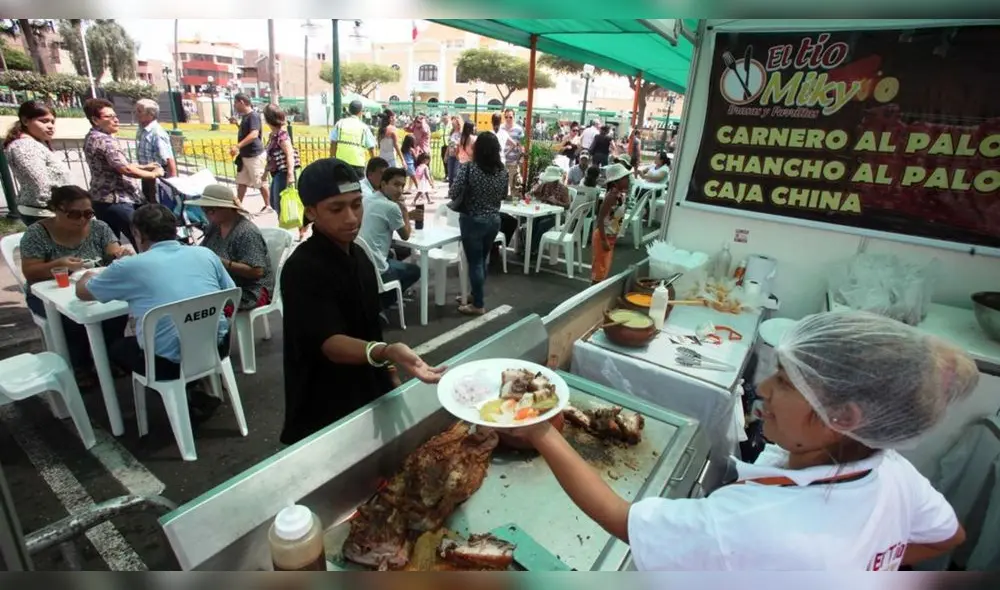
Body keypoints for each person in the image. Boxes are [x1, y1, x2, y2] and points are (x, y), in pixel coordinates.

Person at [508, 311, 977, 571]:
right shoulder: (892, 470)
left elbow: (620, 519)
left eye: (788, 384)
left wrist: (542, 431)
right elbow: (948, 535)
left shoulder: (755, 526)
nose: (765, 389)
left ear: (844, 417)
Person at [279, 158, 444, 445]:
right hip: (324, 402)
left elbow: (370, 328)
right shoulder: (302, 268)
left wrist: (389, 372)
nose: (352, 218)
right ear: (311, 212)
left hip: (368, 389)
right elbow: (330, 343)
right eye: (336, 208)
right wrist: (388, 352)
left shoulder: (360, 258)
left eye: (356, 204)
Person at [76, 204, 236, 421]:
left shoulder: (129, 267)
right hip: (217, 346)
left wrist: (86, 274)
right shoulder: (205, 254)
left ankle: (182, 397)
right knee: (173, 335)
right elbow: (229, 291)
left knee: (117, 347)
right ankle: (191, 390)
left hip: (168, 364)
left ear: (138, 234)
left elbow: (84, 292)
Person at [19, 185, 131, 385]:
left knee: (118, 310)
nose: (82, 220)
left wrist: (119, 254)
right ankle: (80, 366)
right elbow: (30, 272)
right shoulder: (37, 233)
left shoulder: (98, 227)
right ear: (57, 209)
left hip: (88, 287)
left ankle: (109, 356)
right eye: (74, 214)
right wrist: (57, 265)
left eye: (88, 213)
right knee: (70, 320)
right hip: (49, 292)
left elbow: (112, 250)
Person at [83, 98, 161, 245]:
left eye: (115, 116)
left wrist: (144, 167)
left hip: (100, 201)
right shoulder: (106, 140)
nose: (116, 120)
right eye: (108, 117)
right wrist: (153, 174)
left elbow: (114, 164)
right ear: (95, 120)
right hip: (119, 200)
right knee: (143, 241)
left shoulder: (91, 137)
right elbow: (124, 169)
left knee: (112, 246)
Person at [187, 184, 274, 312]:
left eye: (211, 210)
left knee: (203, 308)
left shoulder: (246, 232)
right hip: (223, 285)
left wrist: (221, 262)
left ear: (227, 209)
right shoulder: (215, 226)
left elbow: (257, 272)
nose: (207, 214)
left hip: (249, 291)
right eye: (204, 210)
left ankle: (219, 331)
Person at [449, 132, 507, 316]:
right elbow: (504, 195)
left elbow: (453, 192)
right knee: (481, 260)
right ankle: (476, 295)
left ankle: (478, 304)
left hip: (473, 220)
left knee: (475, 262)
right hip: (494, 220)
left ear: (477, 149)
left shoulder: (469, 169)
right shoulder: (503, 171)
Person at [359, 167, 422, 304]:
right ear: (383, 184)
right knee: (415, 270)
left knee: (401, 251)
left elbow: (385, 219)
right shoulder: (392, 207)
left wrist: (405, 215)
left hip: (361, 261)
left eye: (402, 185)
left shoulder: (368, 199)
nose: (399, 190)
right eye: (395, 184)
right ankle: (385, 301)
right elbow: (405, 235)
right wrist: (404, 210)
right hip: (378, 269)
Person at [3, 100, 70, 224]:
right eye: (43, 121)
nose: (50, 126)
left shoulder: (35, 144)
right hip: (44, 213)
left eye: (52, 122)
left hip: (48, 211)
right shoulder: (25, 146)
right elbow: (40, 186)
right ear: (25, 121)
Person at [590, 163, 630, 283]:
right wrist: (603, 240)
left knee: (604, 269)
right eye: (625, 178)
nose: (628, 180)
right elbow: (600, 218)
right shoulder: (611, 196)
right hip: (604, 236)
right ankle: (593, 296)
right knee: (599, 272)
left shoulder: (619, 195)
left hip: (610, 235)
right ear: (616, 181)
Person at [229, 94, 270, 208]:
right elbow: (248, 132)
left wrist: (238, 146)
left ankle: (268, 206)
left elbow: (254, 134)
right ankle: (238, 206)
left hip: (254, 154)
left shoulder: (253, 116)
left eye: (235, 103)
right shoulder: (246, 117)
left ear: (241, 102)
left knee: (260, 181)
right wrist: (237, 124)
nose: (235, 106)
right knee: (241, 182)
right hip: (245, 155)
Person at [134, 98, 177, 204]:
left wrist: (173, 183)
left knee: (157, 206)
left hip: (158, 177)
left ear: (151, 114)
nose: (136, 114)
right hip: (146, 175)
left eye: (139, 111)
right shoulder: (142, 130)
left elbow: (168, 159)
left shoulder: (157, 133)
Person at [263, 104, 300, 218]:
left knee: (281, 206)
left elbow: (289, 154)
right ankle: (300, 226)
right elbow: (271, 158)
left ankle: (288, 229)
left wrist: (290, 175)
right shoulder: (273, 136)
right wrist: (265, 173)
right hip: (277, 173)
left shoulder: (281, 136)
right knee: (275, 203)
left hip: (283, 173)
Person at [330, 100, 377, 177]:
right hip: (358, 164)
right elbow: (371, 147)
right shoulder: (363, 127)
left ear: (349, 110)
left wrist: (332, 158)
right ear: (360, 112)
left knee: (341, 187)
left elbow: (333, 143)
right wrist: (375, 164)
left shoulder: (340, 124)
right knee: (357, 187)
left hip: (341, 163)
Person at [500, 109, 524, 199]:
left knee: (514, 183)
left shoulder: (518, 129)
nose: (508, 119)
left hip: (514, 161)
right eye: (506, 117)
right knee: (502, 184)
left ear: (514, 117)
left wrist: (521, 157)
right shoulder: (501, 128)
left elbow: (522, 144)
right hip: (502, 161)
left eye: (510, 117)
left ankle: (515, 203)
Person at [445, 116, 463, 184]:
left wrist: (455, 145)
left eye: (454, 123)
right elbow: (449, 145)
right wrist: (446, 155)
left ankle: (455, 192)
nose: (452, 124)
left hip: (458, 156)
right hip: (451, 155)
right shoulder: (452, 132)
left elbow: (461, 144)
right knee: (450, 175)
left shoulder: (461, 133)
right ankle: (450, 191)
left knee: (456, 174)